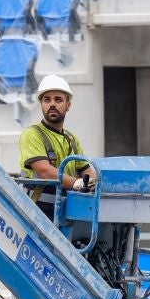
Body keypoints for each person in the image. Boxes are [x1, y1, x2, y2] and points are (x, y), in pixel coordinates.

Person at [18, 74, 96, 220]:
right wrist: (76, 183)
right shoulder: (32, 134)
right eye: (47, 100)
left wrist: (94, 183)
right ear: (41, 104)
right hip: (38, 212)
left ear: (68, 105)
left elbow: (86, 171)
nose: (52, 104)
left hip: (67, 211)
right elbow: (44, 171)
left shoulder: (72, 139)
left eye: (58, 99)